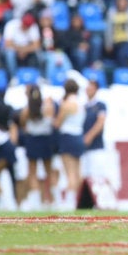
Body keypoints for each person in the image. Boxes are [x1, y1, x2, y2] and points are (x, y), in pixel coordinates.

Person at [19, 84, 57, 211]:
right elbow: (52, 122)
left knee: (33, 172)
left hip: (33, 140)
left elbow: (23, 125)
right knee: (49, 171)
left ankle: (35, 201)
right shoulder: (48, 107)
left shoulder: (26, 110)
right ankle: (52, 200)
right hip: (46, 140)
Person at [53, 78, 86, 211]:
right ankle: (77, 200)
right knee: (77, 173)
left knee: (70, 173)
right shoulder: (80, 103)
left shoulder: (66, 104)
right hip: (78, 136)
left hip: (68, 137)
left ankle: (70, 202)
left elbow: (58, 123)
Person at [81, 79, 107, 182]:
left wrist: (89, 136)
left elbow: (100, 123)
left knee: (98, 176)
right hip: (84, 147)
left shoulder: (100, 105)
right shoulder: (83, 106)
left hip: (96, 145)